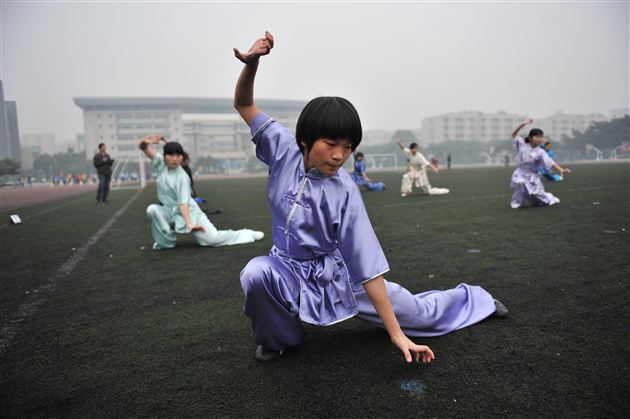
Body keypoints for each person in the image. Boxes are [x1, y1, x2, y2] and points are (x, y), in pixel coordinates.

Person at [233, 31, 507, 363]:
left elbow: (368, 268)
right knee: (255, 274)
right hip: (286, 266)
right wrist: (252, 63)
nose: (339, 155)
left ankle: (474, 301)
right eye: (331, 144)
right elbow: (245, 104)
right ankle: (281, 339)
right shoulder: (282, 148)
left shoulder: (344, 190)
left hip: (337, 275)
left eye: (347, 147)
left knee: (416, 314)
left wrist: (396, 334)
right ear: (305, 139)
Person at [139, 135, 264, 250]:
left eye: (178, 155)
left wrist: (190, 224)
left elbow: (184, 204)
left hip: (190, 213)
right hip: (169, 211)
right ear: (164, 156)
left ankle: (248, 234)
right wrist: (145, 142)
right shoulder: (161, 164)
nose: (175, 159)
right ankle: (165, 243)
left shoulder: (182, 177)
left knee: (213, 239)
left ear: (182, 157)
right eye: (171, 155)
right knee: (153, 210)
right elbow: (144, 148)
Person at [510, 118, 570, 209]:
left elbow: (550, 162)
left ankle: (550, 198)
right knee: (520, 184)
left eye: (541, 137)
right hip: (520, 173)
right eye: (537, 137)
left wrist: (561, 169)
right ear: (530, 138)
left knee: (539, 196)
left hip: (533, 176)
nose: (539, 139)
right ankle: (517, 202)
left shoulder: (540, 152)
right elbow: (513, 134)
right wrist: (523, 124)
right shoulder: (522, 144)